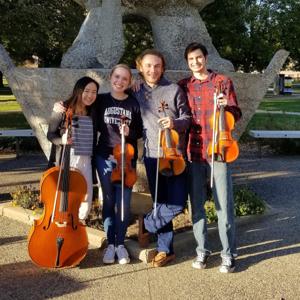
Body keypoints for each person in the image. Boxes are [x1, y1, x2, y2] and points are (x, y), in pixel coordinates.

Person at [178, 42, 242, 273]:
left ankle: (228, 254)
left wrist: (227, 106)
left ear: (205, 58)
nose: (195, 62)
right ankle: (202, 251)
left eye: (199, 58)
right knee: (196, 206)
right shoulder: (184, 85)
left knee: (224, 204)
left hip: (219, 151)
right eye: (191, 59)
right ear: (187, 62)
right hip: (194, 153)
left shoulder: (222, 81)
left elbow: (236, 112)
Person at [134, 49, 191, 267]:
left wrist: (175, 123)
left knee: (177, 204)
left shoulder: (174, 89)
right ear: (141, 67)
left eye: (157, 66)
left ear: (162, 68)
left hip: (175, 155)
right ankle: (165, 250)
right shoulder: (137, 91)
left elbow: (187, 118)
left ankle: (147, 223)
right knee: (160, 201)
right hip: (152, 155)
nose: (153, 70)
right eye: (148, 65)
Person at [94, 64, 143, 265]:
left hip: (126, 160)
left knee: (123, 204)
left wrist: (128, 132)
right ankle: (111, 245)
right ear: (110, 77)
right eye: (117, 77)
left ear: (129, 82)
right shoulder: (101, 100)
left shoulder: (133, 103)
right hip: (104, 157)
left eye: (124, 78)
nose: (119, 81)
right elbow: (85, 111)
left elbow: (139, 131)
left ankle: (121, 244)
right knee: (109, 201)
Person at [47, 76, 99, 221]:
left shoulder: (94, 110)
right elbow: (50, 134)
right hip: (66, 159)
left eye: (94, 92)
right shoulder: (62, 108)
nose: (90, 95)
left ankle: (75, 230)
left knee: (85, 203)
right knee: (64, 201)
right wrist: (61, 140)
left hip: (86, 161)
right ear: (78, 90)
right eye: (87, 91)